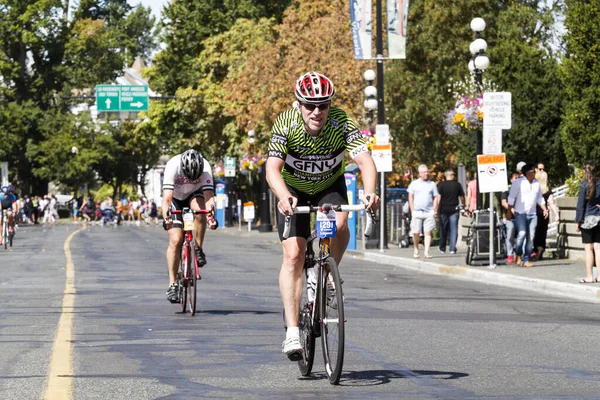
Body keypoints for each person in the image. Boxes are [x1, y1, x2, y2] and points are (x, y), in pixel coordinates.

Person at [266, 71, 379, 361]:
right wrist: (283, 196)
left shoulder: (341, 122)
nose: (317, 112)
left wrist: (369, 192)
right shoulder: (286, 123)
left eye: (324, 105)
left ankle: (323, 274)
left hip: (329, 186)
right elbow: (272, 168)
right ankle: (292, 332)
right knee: (294, 253)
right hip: (294, 190)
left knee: (341, 226)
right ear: (299, 104)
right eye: (310, 105)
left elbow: (365, 160)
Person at [162, 149, 218, 303]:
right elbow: (166, 199)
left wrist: (212, 216)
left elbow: (209, 198)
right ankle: (173, 284)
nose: (191, 178)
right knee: (176, 240)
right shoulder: (173, 165)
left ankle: (198, 249)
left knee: (201, 211)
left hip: (194, 195)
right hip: (175, 198)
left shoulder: (205, 168)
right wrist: (166, 217)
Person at [507, 163, 548, 267]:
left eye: (534, 172)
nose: (534, 173)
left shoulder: (536, 183)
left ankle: (526, 259)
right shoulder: (518, 183)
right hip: (520, 213)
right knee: (521, 234)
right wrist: (508, 211)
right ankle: (518, 253)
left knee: (531, 237)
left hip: (532, 214)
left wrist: (544, 208)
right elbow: (511, 198)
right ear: (526, 173)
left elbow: (539, 198)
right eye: (532, 172)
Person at [408, 164, 440, 259]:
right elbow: (410, 196)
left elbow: (436, 197)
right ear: (420, 173)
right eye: (424, 172)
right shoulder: (414, 184)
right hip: (417, 211)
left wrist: (435, 209)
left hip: (428, 211)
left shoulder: (432, 184)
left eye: (427, 171)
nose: (426, 173)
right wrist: (412, 209)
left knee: (428, 232)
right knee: (416, 232)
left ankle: (426, 252)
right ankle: (416, 248)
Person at [575, 164, 600, 284]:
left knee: (588, 249)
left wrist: (578, 221)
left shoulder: (584, 185)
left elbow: (580, 205)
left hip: (587, 220)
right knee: (598, 248)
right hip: (599, 218)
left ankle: (590, 276)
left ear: (585, 172)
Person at [436, 168, 465, 254]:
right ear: (451, 175)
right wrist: (464, 204)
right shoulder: (457, 185)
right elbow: (462, 197)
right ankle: (452, 248)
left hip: (443, 210)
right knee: (454, 229)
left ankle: (442, 247)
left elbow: (438, 198)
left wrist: (436, 209)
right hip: (454, 209)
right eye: (453, 175)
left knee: (443, 229)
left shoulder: (441, 185)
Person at [532, 170, 559, 261]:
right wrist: (556, 214)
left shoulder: (533, 188)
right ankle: (541, 248)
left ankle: (536, 249)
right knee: (542, 232)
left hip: (534, 212)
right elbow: (551, 202)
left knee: (534, 232)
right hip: (544, 213)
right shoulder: (548, 190)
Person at [501, 172, 520, 264]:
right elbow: (503, 202)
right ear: (511, 180)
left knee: (522, 235)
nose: (517, 180)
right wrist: (511, 209)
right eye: (515, 178)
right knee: (510, 235)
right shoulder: (507, 191)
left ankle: (521, 254)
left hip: (521, 217)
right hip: (510, 218)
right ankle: (510, 255)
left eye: (518, 178)